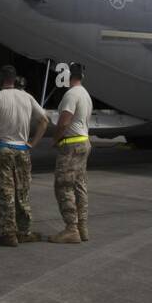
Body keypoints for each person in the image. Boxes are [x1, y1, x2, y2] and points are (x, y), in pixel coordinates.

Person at [0, 65, 48, 246]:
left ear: (1, 79)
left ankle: (9, 234)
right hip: (22, 149)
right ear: (15, 80)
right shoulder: (27, 97)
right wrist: (33, 143)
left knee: (5, 192)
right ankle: (24, 231)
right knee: (22, 191)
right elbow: (44, 120)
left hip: (3, 148)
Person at [49, 63, 93, 244]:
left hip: (71, 145)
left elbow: (64, 121)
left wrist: (56, 139)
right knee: (79, 185)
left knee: (63, 186)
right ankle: (82, 227)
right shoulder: (85, 94)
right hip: (83, 142)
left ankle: (71, 229)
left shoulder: (71, 94)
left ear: (68, 75)